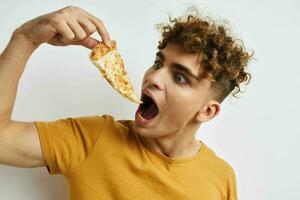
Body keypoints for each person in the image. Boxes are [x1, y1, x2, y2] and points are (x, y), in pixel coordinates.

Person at [0, 5, 252, 200]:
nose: (153, 77)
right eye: (157, 63)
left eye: (179, 77)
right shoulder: (92, 138)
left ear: (207, 111)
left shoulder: (220, 178)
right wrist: (25, 38)